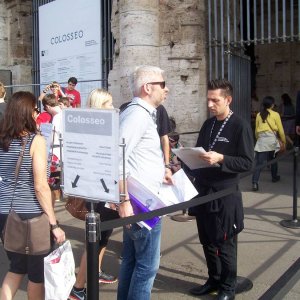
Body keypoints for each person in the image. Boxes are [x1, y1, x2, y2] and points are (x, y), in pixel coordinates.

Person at [188, 79, 254, 300]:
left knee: (225, 244)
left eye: (215, 100)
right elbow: (199, 153)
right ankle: (213, 279)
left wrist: (222, 158)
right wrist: (183, 162)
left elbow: (247, 163)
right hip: (203, 192)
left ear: (228, 100)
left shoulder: (240, 126)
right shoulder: (208, 124)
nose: (210, 104)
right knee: (206, 240)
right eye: (208, 99)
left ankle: (228, 288)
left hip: (225, 195)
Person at [0, 91, 65, 300]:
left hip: (5, 212)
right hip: (31, 216)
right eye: (36, 109)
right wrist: (54, 224)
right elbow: (40, 186)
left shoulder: (2, 140)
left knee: (16, 268)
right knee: (37, 275)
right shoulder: (35, 141)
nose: (38, 113)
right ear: (27, 112)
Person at [117, 65, 173, 300]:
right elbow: (116, 156)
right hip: (142, 203)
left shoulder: (141, 113)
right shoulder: (137, 115)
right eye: (162, 84)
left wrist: (162, 168)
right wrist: (123, 200)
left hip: (141, 198)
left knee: (132, 260)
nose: (166, 89)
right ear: (147, 87)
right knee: (147, 267)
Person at [69, 88, 119, 300]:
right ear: (100, 106)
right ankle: (78, 288)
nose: (113, 106)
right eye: (108, 103)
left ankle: (94, 273)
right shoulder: (94, 130)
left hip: (103, 191)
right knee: (95, 241)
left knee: (102, 239)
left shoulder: (99, 127)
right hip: (99, 194)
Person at [252, 96, 286, 191]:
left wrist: (258, 139)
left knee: (259, 163)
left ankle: (255, 182)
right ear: (272, 105)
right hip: (272, 140)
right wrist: (284, 141)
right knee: (273, 160)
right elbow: (281, 130)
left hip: (262, 140)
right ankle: (274, 177)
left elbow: (256, 130)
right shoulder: (275, 114)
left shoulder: (259, 115)